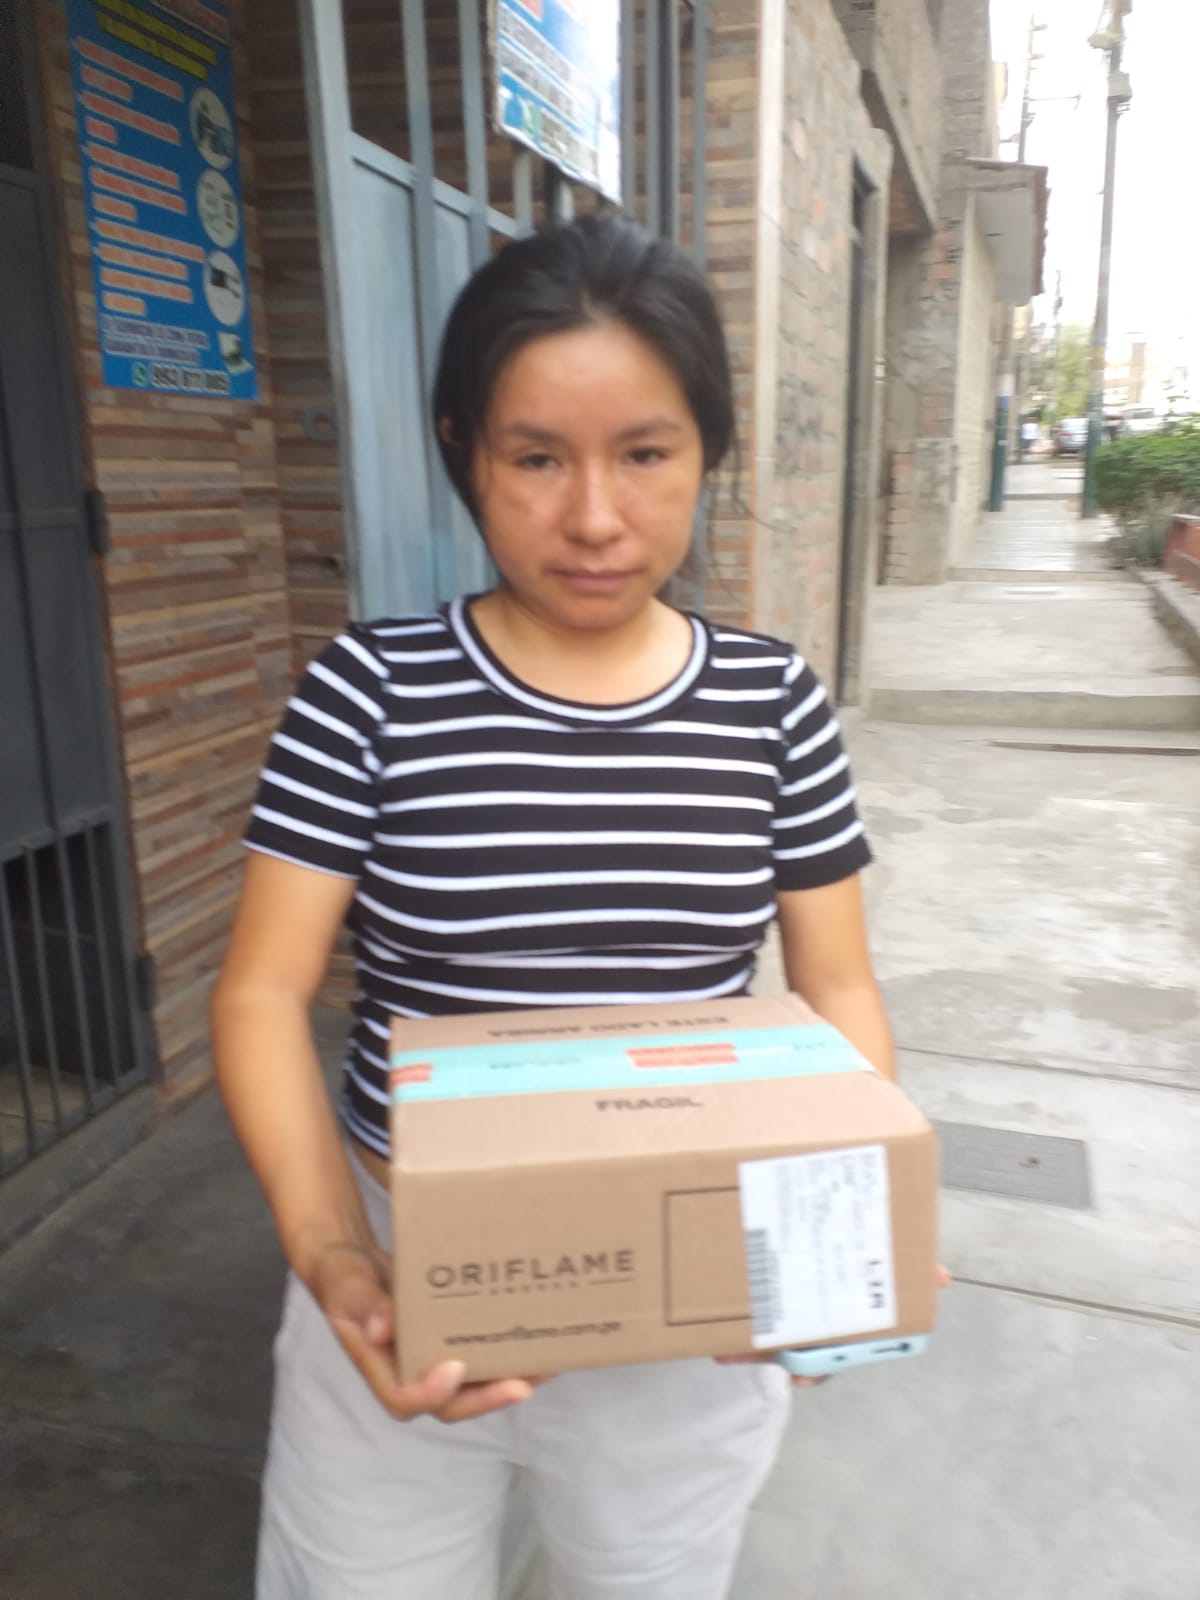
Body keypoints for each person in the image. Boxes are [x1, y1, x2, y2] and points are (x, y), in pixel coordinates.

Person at [212, 212, 910, 1600]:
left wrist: (836, 1222)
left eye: (645, 454)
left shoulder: (769, 704)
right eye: (537, 458)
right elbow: (263, 991)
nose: (594, 517)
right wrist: (332, 1251)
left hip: (682, 1275)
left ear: (707, 452)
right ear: (465, 449)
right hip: (406, 1270)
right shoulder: (371, 693)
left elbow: (835, 985)